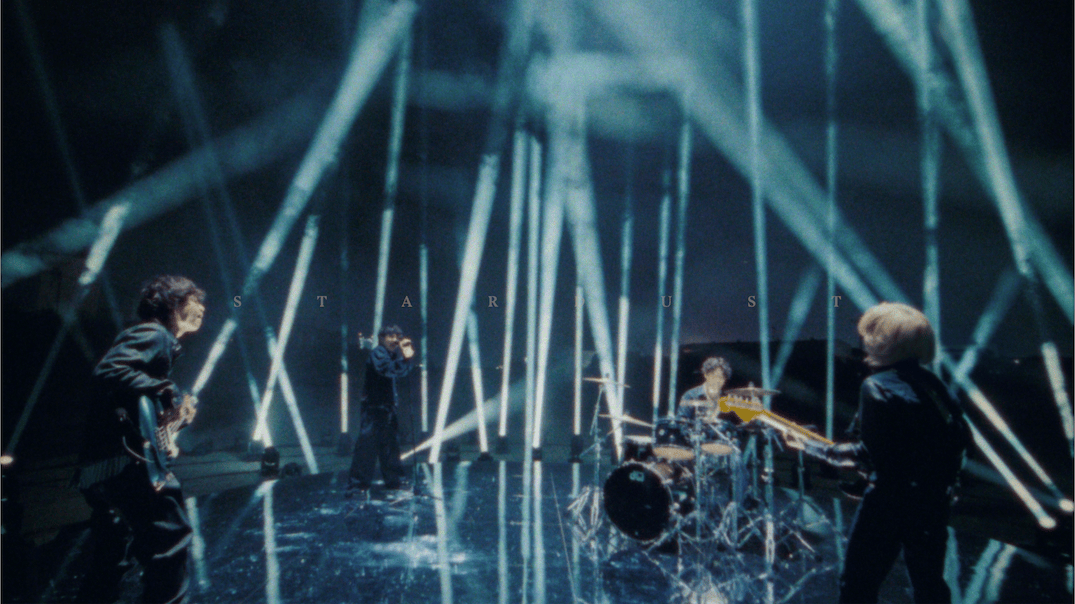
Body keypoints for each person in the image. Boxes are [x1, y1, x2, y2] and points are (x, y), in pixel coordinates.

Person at [75, 275, 206, 604]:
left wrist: (176, 419)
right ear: (173, 305)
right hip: (128, 463)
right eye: (194, 300)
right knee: (171, 539)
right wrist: (168, 389)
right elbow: (109, 371)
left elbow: (137, 407)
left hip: (104, 466)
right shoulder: (153, 333)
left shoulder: (158, 342)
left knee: (111, 554)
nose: (202, 308)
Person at [838, 302, 968, 604]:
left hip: (888, 501)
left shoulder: (875, 386)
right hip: (933, 500)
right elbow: (958, 437)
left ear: (881, 340)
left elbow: (872, 455)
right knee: (929, 585)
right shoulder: (934, 383)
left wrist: (823, 450)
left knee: (857, 585)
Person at [348, 324, 415, 490]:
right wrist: (404, 359)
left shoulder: (391, 355)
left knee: (390, 446)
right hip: (374, 408)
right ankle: (358, 484)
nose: (394, 340)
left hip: (387, 408)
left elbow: (402, 371)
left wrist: (406, 357)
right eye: (390, 336)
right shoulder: (378, 353)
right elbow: (387, 370)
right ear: (382, 338)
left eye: (397, 337)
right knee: (367, 447)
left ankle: (394, 480)